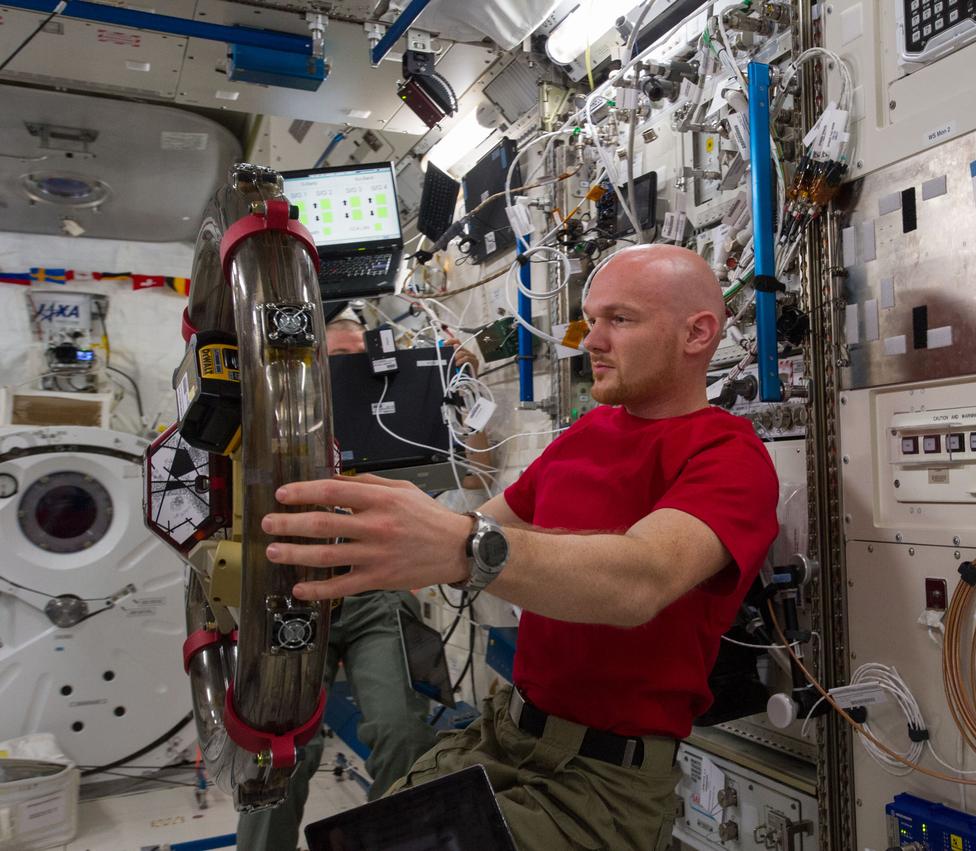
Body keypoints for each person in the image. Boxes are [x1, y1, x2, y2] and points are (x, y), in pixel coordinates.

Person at [259, 245, 780, 850]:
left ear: (698, 333)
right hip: (504, 735)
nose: (591, 340)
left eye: (621, 319)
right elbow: (486, 524)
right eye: (590, 319)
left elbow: (642, 579)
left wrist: (461, 545)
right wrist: (373, 541)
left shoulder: (729, 457)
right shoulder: (589, 432)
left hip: (598, 784)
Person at [236, 311, 487, 851]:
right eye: (338, 361)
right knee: (283, 751)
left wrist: (462, 391)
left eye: (360, 360)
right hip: (294, 596)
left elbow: (471, 478)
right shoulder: (275, 423)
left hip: (377, 595)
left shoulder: (402, 420)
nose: (353, 371)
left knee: (403, 732)